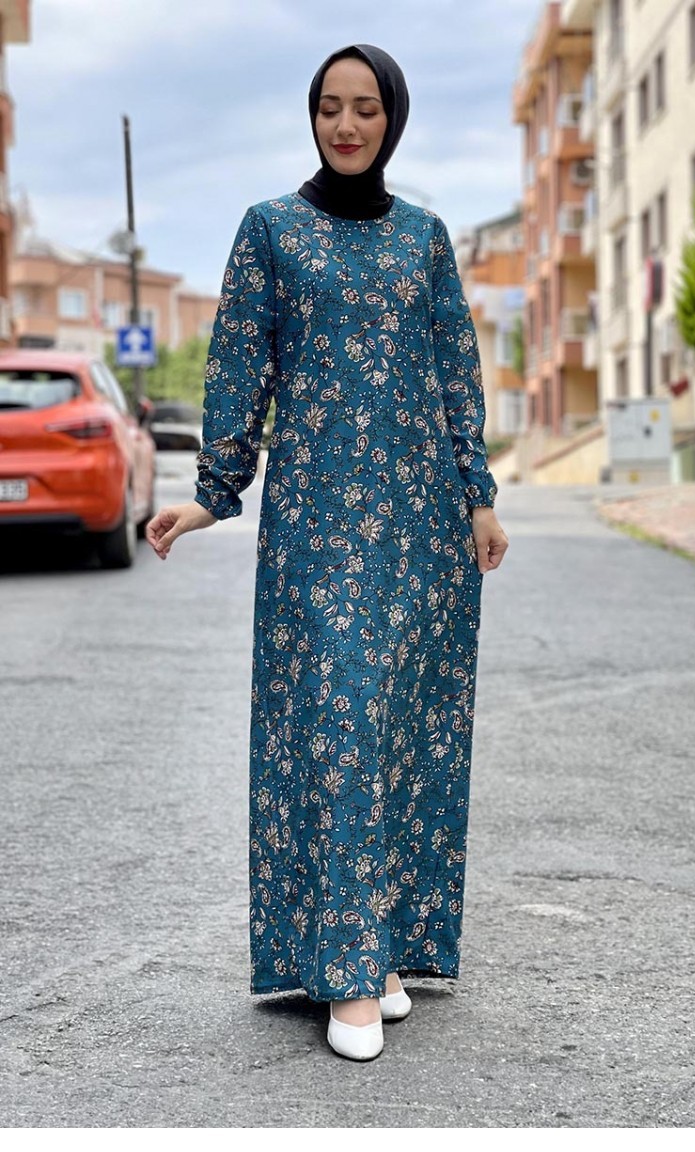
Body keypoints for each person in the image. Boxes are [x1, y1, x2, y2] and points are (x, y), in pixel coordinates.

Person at [146, 43, 508, 1061]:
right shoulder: (270, 231)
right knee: (339, 726)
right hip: (315, 533)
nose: (346, 125)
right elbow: (238, 368)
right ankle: (347, 974)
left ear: (392, 118)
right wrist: (210, 494)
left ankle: (377, 947)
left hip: (421, 529)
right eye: (329, 107)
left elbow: (454, 371)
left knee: (397, 734)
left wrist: (478, 499)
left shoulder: (424, 238)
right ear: (311, 116)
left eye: (365, 108)